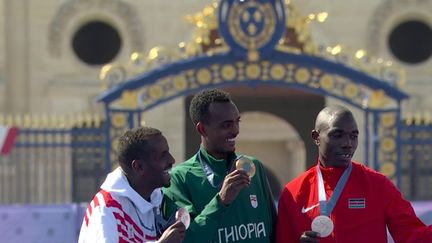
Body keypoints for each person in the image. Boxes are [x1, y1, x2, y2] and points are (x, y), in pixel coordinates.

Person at [275, 105, 432, 243]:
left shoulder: (378, 185)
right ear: (316, 137)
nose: (348, 144)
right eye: (337, 135)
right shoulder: (294, 192)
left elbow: (413, 236)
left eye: (353, 136)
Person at [162, 88, 277, 243]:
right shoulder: (178, 179)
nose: (236, 131)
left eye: (237, 122)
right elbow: (186, 240)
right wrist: (221, 201)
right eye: (226, 125)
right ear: (202, 129)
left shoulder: (253, 166)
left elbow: (275, 232)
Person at [78, 127, 186, 243]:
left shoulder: (157, 201)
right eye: (162, 155)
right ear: (139, 166)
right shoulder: (107, 209)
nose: (172, 160)